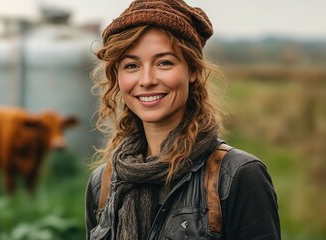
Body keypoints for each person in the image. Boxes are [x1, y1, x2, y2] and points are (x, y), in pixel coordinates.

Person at [84, 0, 281, 239]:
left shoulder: (237, 175)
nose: (146, 80)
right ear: (118, 77)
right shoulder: (102, 183)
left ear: (193, 70)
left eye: (164, 63)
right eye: (132, 65)